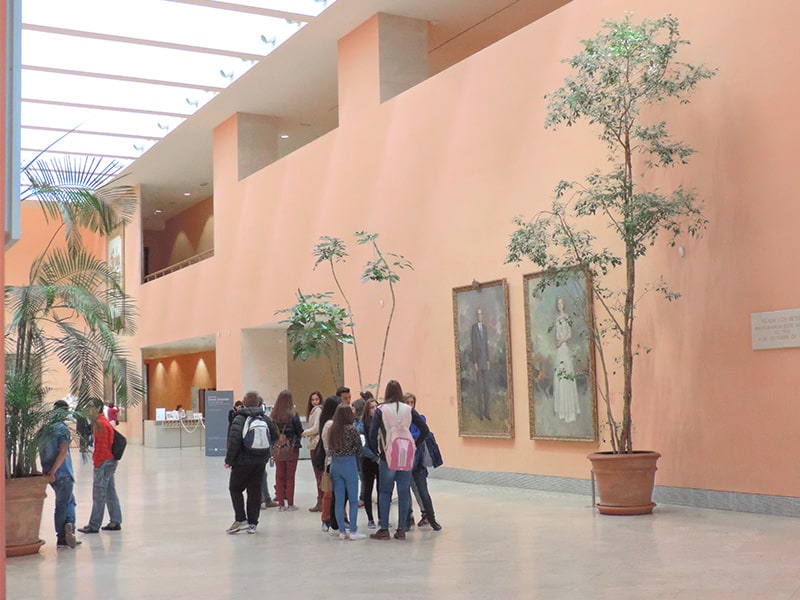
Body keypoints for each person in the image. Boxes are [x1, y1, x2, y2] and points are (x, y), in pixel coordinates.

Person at [368, 380, 429, 541]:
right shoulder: (409, 410)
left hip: (387, 456)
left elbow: (372, 433)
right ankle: (401, 529)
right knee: (403, 492)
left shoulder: (381, 410)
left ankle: (384, 529)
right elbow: (425, 429)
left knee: (385, 492)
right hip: (406, 455)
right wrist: (415, 443)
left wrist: (377, 451)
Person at [224, 391, 279, 534]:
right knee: (254, 491)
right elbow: (275, 435)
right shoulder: (265, 419)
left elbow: (234, 442)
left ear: (244, 402)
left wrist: (229, 460)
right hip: (260, 462)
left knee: (235, 488)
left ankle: (241, 519)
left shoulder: (239, 419)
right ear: (258, 403)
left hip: (242, 462)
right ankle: (253, 523)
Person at [40, 399, 80, 548]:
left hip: (51, 475)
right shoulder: (62, 429)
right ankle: (64, 533)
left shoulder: (45, 428)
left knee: (69, 500)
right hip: (62, 473)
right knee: (64, 504)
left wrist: (47, 472)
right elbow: (63, 452)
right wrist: (53, 471)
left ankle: (67, 529)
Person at [78, 398, 122, 534]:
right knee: (109, 491)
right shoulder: (101, 422)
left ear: (98, 408)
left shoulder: (101, 424)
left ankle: (94, 524)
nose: (89, 410)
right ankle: (115, 521)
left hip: (104, 462)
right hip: (109, 461)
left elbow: (102, 448)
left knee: (98, 494)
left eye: (91, 407)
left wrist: (97, 464)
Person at [327, 404, 367, 540]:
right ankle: (353, 531)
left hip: (335, 464)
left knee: (339, 499)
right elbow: (359, 449)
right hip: (349, 464)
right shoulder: (352, 430)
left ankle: (342, 531)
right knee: (353, 500)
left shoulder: (332, 429)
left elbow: (329, 447)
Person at [404, 393, 442, 531]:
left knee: (423, 491)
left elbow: (421, 432)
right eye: (407, 402)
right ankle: (407, 519)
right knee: (405, 491)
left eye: (412, 402)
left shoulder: (419, 418)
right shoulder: (401, 419)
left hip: (418, 461)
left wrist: (411, 439)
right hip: (404, 461)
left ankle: (431, 518)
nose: (410, 405)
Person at [269, 390, 304, 511]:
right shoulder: (293, 415)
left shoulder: (273, 415)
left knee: (279, 476)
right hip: (291, 449)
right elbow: (300, 431)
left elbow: (271, 432)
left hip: (278, 449)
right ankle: (290, 504)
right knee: (290, 477)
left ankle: (281, 505)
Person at [553, 296, 580, 423]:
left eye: (562, 303)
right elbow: (556, 335)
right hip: (559, 350)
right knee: (559, 376)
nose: (560, 305)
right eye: (558, 303)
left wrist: (561, 341)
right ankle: (562, 411)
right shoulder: (556, 319)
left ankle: (570, 411)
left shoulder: (566, 317)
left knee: (566, 375)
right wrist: (557, 343)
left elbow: (569, 334)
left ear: (564, 305)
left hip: (564, 348)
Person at [317, 395, 341, 533]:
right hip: (331, 461)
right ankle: (326, 518)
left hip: (335, 460)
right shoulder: (329, 424)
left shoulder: (331, 423)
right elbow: (329, 446)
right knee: (329, 492)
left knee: (338, 492)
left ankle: (338, 517)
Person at [358, 395, 380, 528]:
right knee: (368, 489)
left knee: (382, 489)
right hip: (368, 461)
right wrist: (374, 457)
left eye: (376, 406)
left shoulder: (382, 423)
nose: (375, 409)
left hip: (380, 461)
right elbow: (362, 446)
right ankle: (370, 518)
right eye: (372, 407)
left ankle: (382, 517)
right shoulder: (362, 425)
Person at [302, 390, 324, 512]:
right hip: (314, 445)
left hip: (316, 445)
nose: (315, 402)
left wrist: (305, 433)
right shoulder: (313, 411)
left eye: (316, 399)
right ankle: (320, 500)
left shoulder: (318, 411)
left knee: (319, 475)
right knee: (318, 475)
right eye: (312, 400)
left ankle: (321, 501)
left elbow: (316, 427)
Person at [471, 308, 491, 420]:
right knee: (479, 388)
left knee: (486, 388)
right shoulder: (474, 329)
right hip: (478, 362)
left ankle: (487, 412)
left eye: (481, 314)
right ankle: (481, 413)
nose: (480, 316)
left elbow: (486, 345)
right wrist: (474, 362)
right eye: (478, 314)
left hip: (485, 361)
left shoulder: (485, 328)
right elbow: (473, 346)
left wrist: (488, 360)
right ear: (476, 316)